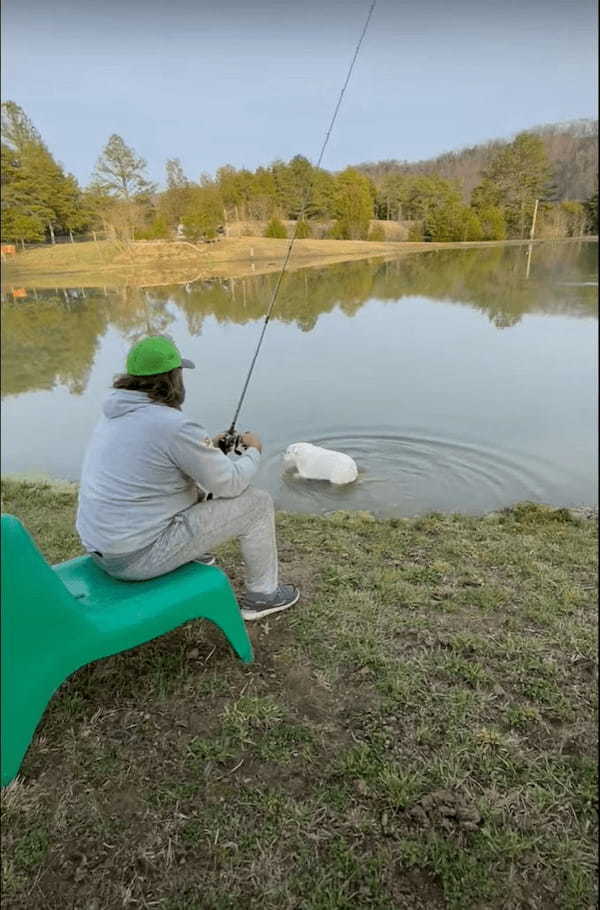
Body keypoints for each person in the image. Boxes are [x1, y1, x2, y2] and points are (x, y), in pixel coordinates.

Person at [76, 335, 299, 620]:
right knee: (257, 504)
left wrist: (208, 449)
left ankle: (191, 554)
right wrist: (253, 451)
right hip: (136, 559)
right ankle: (263, 597)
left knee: (196, 486)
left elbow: (156, 463)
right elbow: (230, 484)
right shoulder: (172, 425)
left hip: (102, 549)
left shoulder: (114, 414)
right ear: (172, 378)